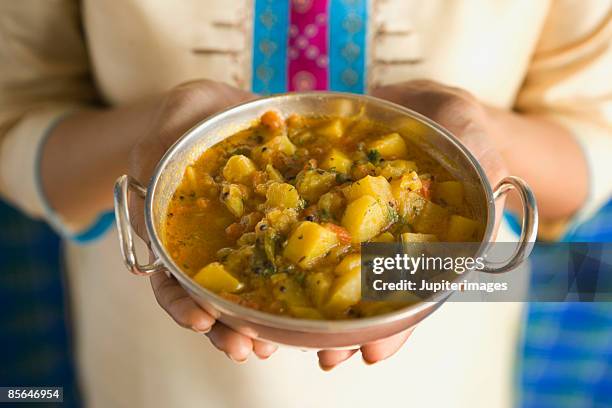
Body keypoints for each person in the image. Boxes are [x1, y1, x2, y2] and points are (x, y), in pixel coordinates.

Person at [1, 1, 610, 407]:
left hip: (444, 361)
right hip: (155, 365)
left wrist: (475, 133)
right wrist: (164, 134)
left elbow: (596, 142)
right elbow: (15, 129)